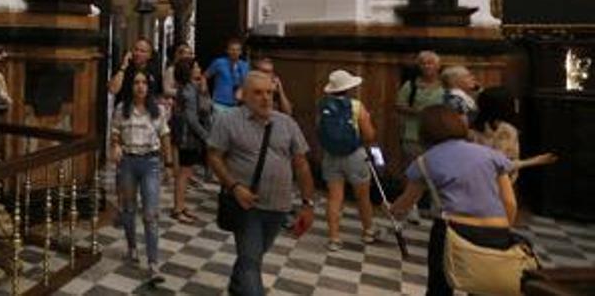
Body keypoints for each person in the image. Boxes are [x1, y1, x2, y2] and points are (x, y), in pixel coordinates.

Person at [389, 106, 529, 296]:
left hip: (451, 231)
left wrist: (393, 209)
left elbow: (406, 202)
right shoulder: (490, 155)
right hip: (496, 229)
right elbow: (510, 202)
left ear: (425, 132)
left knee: (440, 287)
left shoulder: (424, 162)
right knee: (484, 286)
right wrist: (504, 228)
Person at [208, 71, 316, 296]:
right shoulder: (228, 120)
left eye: (269, 92)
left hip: (278, 207)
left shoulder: (286, 123)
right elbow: (214, 156)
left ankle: (237, 286)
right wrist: (234, 187)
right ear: (244, 96)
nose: (266, 98)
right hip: (247, 206)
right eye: (258, 93)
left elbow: (301, 164)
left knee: (253, 256)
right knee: (250, 263)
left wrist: (307, 204)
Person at [110, 71, 173, 280]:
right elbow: (115, 133)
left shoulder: (158, 111)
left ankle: (154, 264)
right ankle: (132, 247)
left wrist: (169, 164)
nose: (140, 86)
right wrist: (116, 146)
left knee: (150, 214)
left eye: (144, 82)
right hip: (128, 162)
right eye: (136, 82)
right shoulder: (122, 109)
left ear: (149, 86)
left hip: (150, 163)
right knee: (128, 209)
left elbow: (165, 135)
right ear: (131, 86)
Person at [316, 70, 380, 251]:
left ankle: (334, 237)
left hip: (330, 156)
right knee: (362, 196)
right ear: (349, 88)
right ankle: (368, 230)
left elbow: (319, 130)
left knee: (334, 198)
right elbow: (369, 134)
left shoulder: (322, 105)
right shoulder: (356, 106)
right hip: (355, 155)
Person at [396, 51, 446, 222]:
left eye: (430, 62)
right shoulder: (411, 86)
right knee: (412, 172)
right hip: (413, 134)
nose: (427, 66)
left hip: (438, 136)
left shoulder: (445, 86)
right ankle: (411, 206)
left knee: (439, 172)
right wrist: (417, 112)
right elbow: (399, 105)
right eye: (423, 63)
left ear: (438, 66)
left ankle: (437, 206)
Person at [470, 86, 559, 183]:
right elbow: (502, 165)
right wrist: (536, 161)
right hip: (498, 184)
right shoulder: (506, 130)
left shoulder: (472, 128)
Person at [166, 56, 212, 223]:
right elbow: (192, 118)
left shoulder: (189, 88)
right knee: (184, 174)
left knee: (185, 172)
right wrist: (206, 137)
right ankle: (178, 208)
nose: (200, 70)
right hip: (188, 137)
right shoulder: (189, 91)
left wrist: (203, 90)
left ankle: (181, 205)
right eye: (197, 67)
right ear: (190, 71)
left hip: (185, 135)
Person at [109, 38, 164, 107]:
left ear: (149, 55)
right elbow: (113, 90)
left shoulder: (154, 71)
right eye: (136, 50)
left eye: (142, 51)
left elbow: (159, 95)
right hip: (125, 110)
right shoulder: (123, 68)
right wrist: (123, 66)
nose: (138, 53)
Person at [207, 38, 249, 115]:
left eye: (237, 50)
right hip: (219, 104)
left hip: (237, 105)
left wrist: (241, 89)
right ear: (227, 51)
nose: (235, 52)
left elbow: (247, 83)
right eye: (232, 50)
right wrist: (205, 92)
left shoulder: (245, 66)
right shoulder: (219, 62)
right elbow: (205, 76)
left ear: (240, 52)